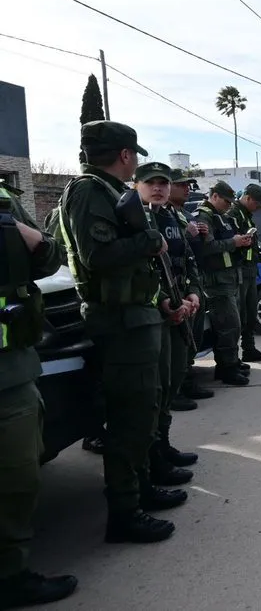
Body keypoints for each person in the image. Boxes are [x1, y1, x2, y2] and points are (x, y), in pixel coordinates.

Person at [57, 120, 176, 543]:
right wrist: (150, 242)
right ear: (125, 155)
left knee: (143, 411)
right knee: (129, 419)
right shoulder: (89, 191)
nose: (135, 164)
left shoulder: (109, 192)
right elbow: (97, 256)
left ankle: (140, 490)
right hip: (119, 322)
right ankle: (125, 512)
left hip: (134, 315)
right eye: (134, 156)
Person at [0, 179, 78, 606]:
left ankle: (11, 575)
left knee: (18, 477)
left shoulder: (2, 198)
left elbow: (48, 258)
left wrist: (23, 232)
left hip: (8, 371)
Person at [128, 163, 198, 494]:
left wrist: (193, 293)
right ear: (136, 184)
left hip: (179, 306)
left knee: (171, 380)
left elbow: (187, 259)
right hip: (156, 313)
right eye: (150, 182)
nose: (158, 188)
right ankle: (154, 458)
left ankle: (164, 446)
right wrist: (164, 304)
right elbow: (137, 272)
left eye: (163, 183)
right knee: (155, 390)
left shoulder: (170, 216)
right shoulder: (133, 218)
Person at [191, 181, 254, 385]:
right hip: (217, 281)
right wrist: (233, 242)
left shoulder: (221, 217)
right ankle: (227, 368)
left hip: (229, 277)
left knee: (233, 325)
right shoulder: (204, 217)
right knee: (227, 325)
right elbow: (207, 247)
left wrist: (240, 242)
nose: (229, 205)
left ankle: (231, 362)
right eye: (226, 201)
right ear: (215, 196)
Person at [167, 172, 214, 405]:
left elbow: (191, 255)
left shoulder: (183, 215)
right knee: (176, 344)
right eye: (180, 185)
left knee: (190, 339)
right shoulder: (158, 215)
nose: (187, 189)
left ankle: (186, 381)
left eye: (188, 185)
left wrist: (200, 236)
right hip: (171, 288)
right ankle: (175, 390)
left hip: (190, 283)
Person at [227, 184, 261, 364]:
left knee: (250, 312)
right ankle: (235, 356)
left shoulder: (245, 215)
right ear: (247, 198)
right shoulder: (233, 214)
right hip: (240, 270)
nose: (259, 207)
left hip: (250, 269)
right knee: (241, 315)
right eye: (257, 203)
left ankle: (249, 348)